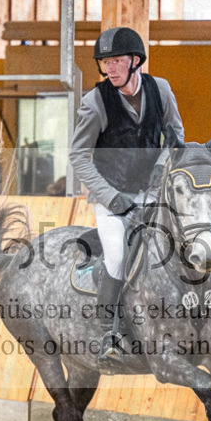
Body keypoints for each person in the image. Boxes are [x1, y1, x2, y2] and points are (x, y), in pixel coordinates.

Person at [69, 26, 185, 364]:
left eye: (117, 61)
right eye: (105, 62)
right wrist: (111, 197)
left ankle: (207, 321)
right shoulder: (95, 103)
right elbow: (78, 156)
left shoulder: (160, 90)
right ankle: (109, 332)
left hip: (152, 192)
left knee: (186, 245)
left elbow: (175, 138)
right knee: (119, 256)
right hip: (112, 197)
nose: (111, 69)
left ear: (135, 61)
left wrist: (160, 172)